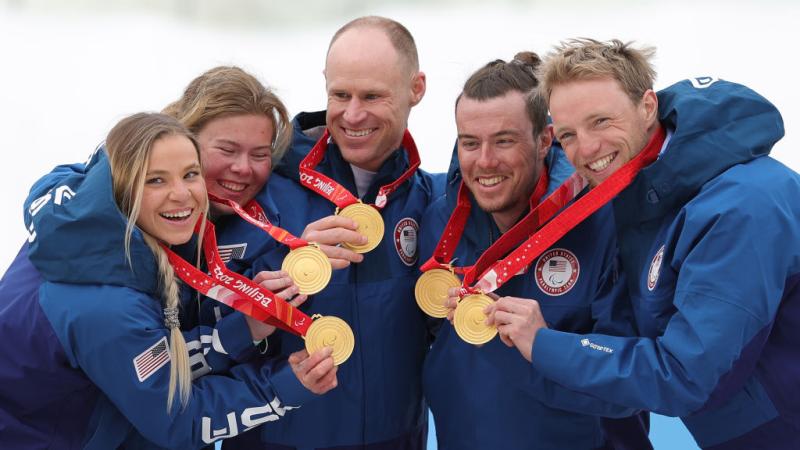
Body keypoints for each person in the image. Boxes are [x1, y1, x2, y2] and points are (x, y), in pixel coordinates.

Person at [488, 39, 800, 449]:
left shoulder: (741, 207)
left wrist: (545, 343)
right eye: (568, 134)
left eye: (601, 121)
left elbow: (685, 375)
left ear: (648, 106)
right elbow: (630, 341)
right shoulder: (641, 191)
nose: (586, 149)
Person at [0, 113, 337, 449]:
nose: (182, 194)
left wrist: (243, 329)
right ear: (121, 184)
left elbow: (148, 361)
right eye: (155, 180)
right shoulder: (107, 303)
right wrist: (282, 387)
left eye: (190, 174)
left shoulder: (93, 230)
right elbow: (179, 420)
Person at [224, 16, 441, 450]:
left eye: (372, 96)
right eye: (340, 94)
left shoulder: (433, 201)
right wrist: (286, 264)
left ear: (416, 88)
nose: (353, 114)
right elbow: (195, 311)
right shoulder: (259, 185)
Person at [421, 53, 651, 450]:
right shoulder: (438, 221)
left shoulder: (604, 223)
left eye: (504, 140)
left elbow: (630, 386)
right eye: (470, 143)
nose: (485, 161)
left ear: (545, 140)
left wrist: (535, 345)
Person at [164, 66, 306, 346]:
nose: (243, 169)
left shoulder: (277, 217)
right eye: (227, 150)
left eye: (259, 154)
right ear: (185, 142)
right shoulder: (137, 218)